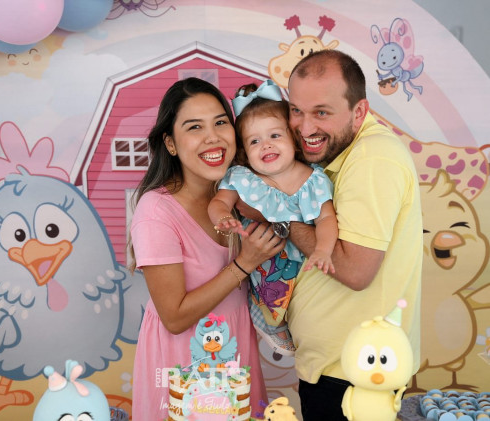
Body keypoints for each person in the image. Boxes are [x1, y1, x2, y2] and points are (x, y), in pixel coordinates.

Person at [128, 77, 286, 420]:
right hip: (184, 366)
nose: (212, 137)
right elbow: (174, 317)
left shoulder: (239, 196)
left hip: (234, 355)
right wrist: (244, 264)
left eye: (220, 123)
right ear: (170, 143)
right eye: (194, 127)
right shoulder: (156, 211)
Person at [285, 50, 422, 420]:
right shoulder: (341, 154)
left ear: (359, 112)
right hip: (338, 370)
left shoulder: (372, 157)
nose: (304, 128)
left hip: (355, 376)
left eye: (321, 113)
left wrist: (281, 218)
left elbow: (356, 271)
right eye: (296, 110)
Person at [208, 79, 338, 357]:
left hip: (308, 270)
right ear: (244, 151)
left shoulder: (313, 180)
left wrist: (324, 250)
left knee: (315, 298)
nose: (265, 145)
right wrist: (223, 217)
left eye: (275, 136)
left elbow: (327, 219)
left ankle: (293, 320)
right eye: (254, 141)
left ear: (294, 139)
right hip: (265, 266)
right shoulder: (244, 178)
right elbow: (220, 201)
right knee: (268, 290)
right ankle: (270, 321)